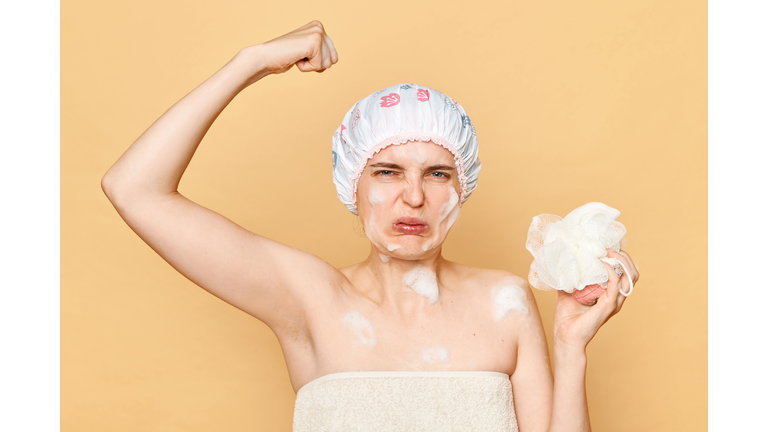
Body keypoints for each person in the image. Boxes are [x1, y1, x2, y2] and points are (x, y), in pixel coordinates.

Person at [102, 21, 639, 432]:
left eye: (436, 173)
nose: (413, 196)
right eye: (388, 171)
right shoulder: (308, 297)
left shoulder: (505, 301)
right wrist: (252, 62)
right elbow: (133, 188)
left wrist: (571, 348)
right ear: (352, 186)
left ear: (461, 186)